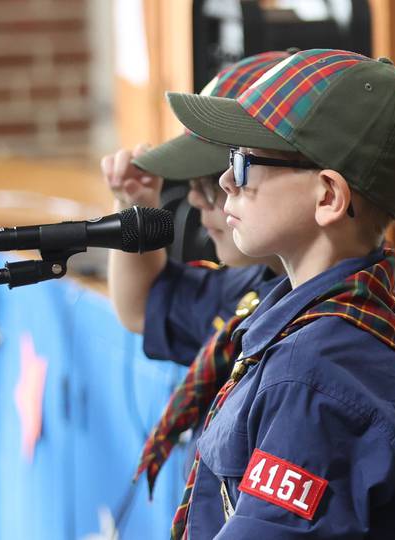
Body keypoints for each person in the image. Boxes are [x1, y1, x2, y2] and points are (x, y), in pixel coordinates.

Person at [165, 48, 395, 538]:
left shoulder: (314, 376)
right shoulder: (330, 324)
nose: (227, 180)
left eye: (243, 160)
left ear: (328, 197)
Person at [101, 52, 289, 494]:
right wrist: (135, 210)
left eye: (220, 176)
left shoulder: (320, 335)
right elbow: (142, 306)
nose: (202, 200)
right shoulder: (249, 292)